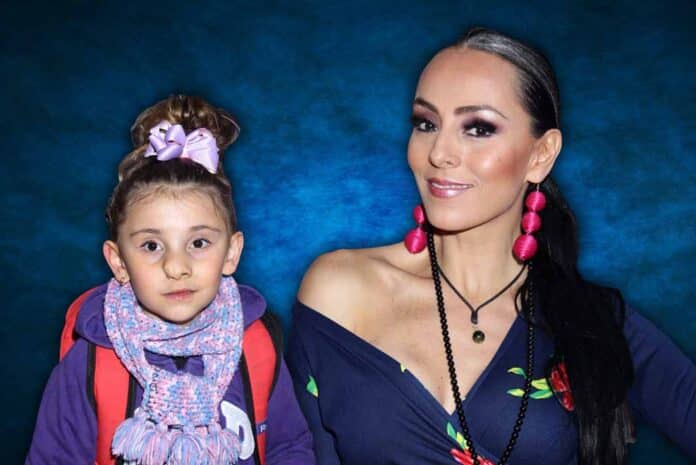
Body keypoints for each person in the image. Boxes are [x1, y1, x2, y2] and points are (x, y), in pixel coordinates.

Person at [287, 27, 695, 465]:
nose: (439, 152)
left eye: (478, 128)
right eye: (426, 123)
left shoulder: (593, 322)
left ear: (540, 155)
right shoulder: (339, 289)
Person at [27, 95, 315, 465]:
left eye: (199, 243)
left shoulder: (258, 344)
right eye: (151, 246)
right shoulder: (89, 364)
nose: (176, 267)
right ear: (119, 262)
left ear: (231, 253)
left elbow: (289, 447)